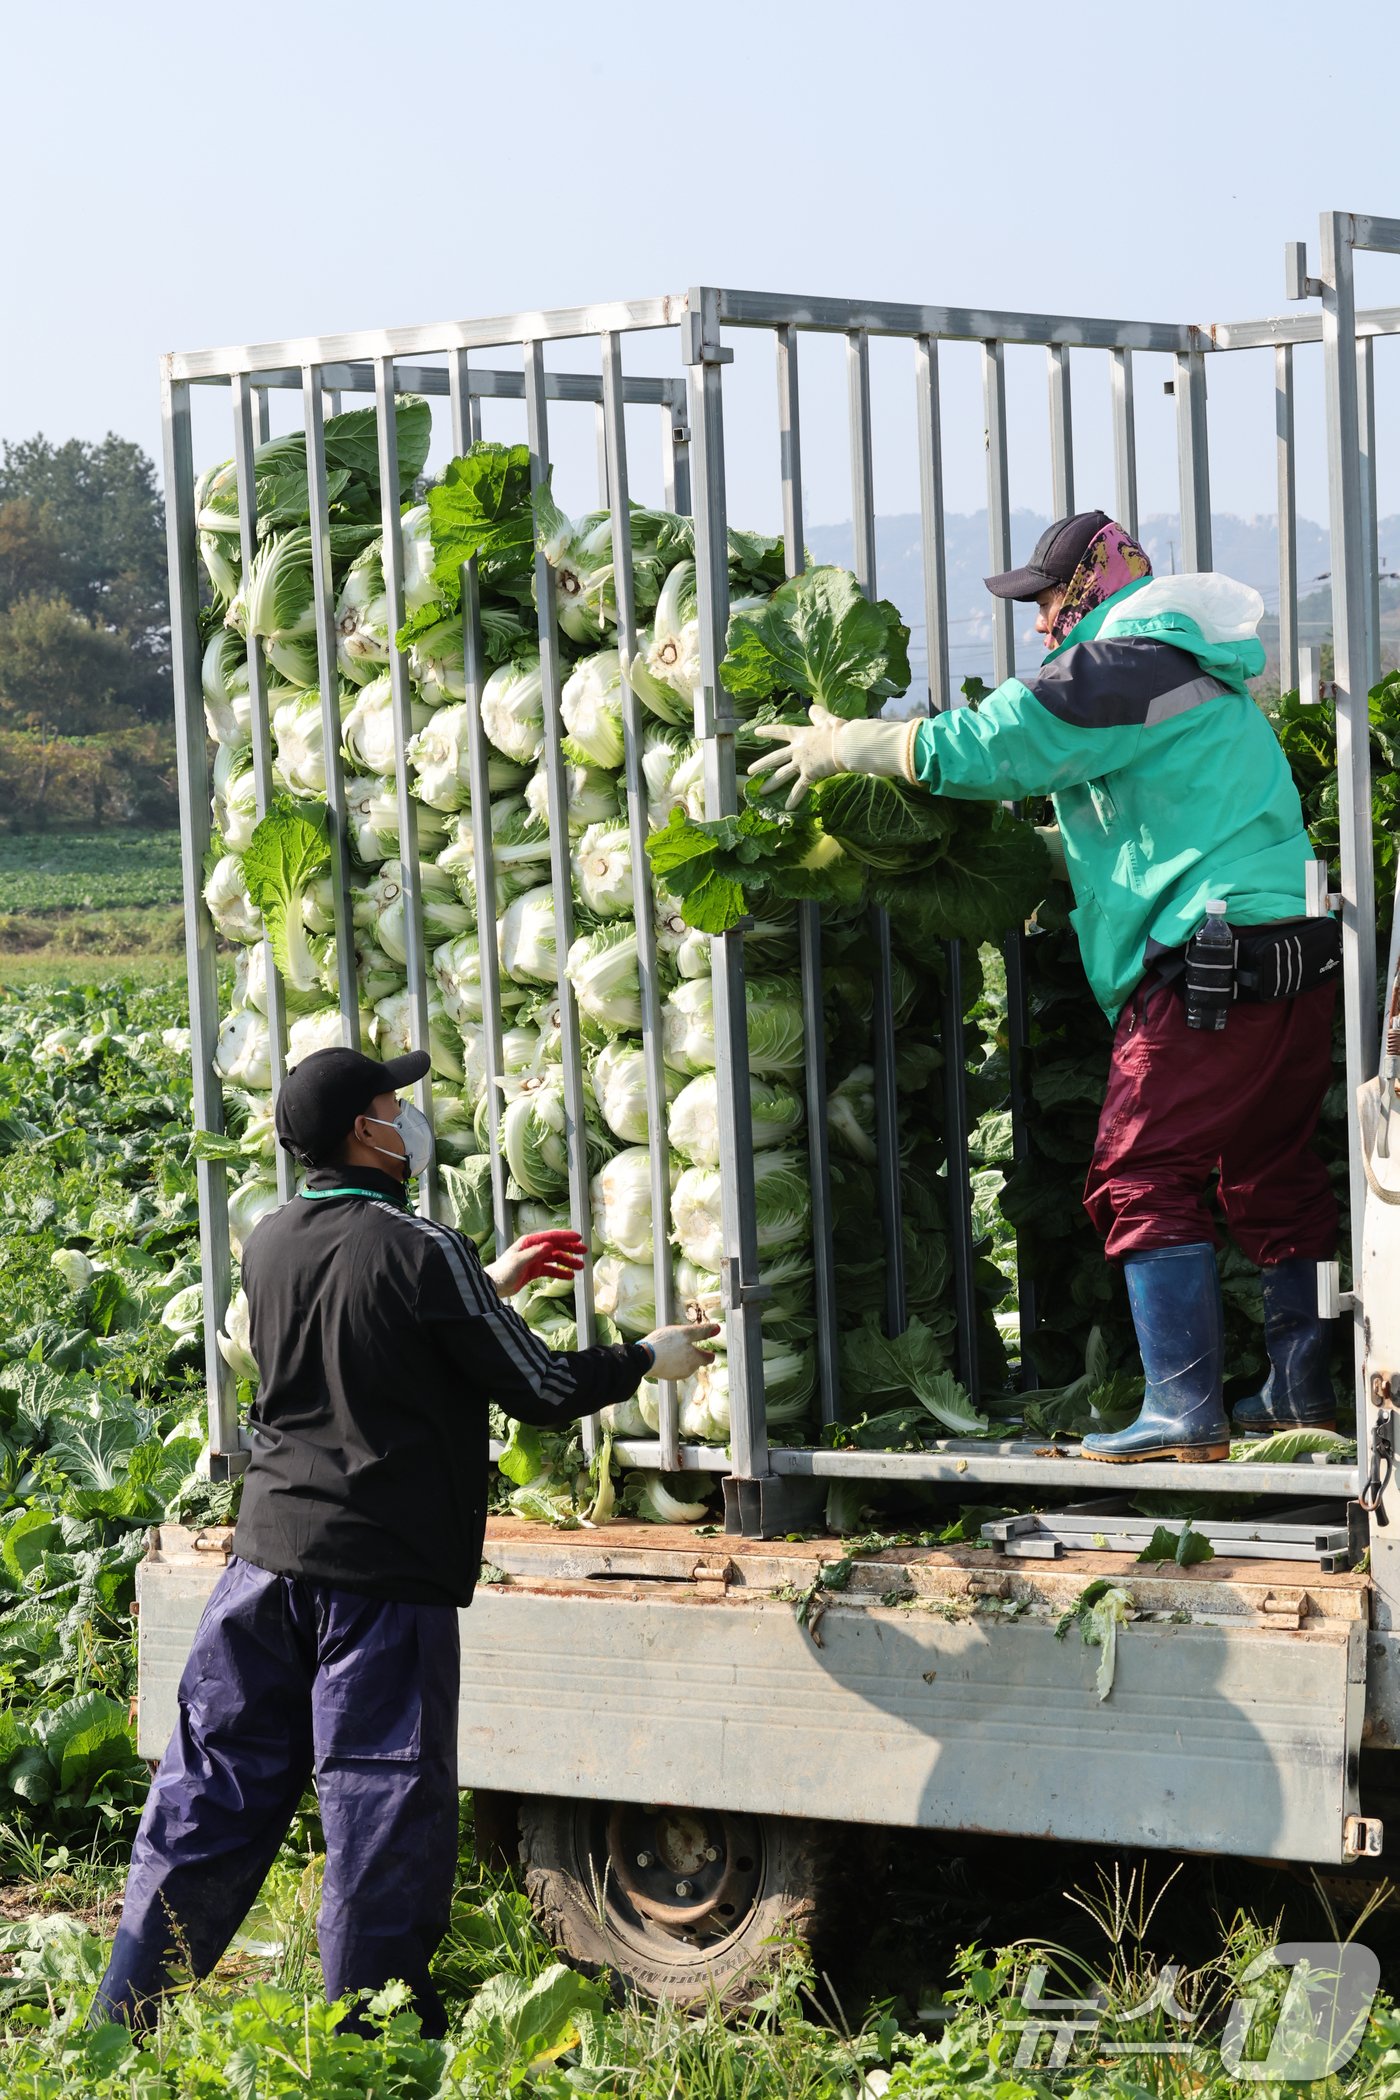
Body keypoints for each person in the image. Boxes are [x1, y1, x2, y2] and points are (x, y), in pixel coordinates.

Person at [93, 1045, 716, 2035]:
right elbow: (542, 1390)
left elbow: (362, 1339)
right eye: (394, 1103)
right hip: (380, 1577)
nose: (405, 1117)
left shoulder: (270, 1237)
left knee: (207, 1794)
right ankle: (369, 2047)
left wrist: (486, 1288)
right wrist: (647, 1356)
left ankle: (118, 2026)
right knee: (380, 1814)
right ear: (364, 1132)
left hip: (263, 1564)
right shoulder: (423, 1247)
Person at [750, 510, 1339, 1463]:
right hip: (1288, 960)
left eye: (1049, 601)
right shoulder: (1203, 677)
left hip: (1208, 971)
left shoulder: (1129, 660)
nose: (1038, 626)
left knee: (1139, 1173)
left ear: (1097, 584)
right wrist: (1051, 860)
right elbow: (1160, 822)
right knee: (1274, 1177)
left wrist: (853, 747)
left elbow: (1001, 742)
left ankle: (1185, 1412)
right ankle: (1301, 1396)